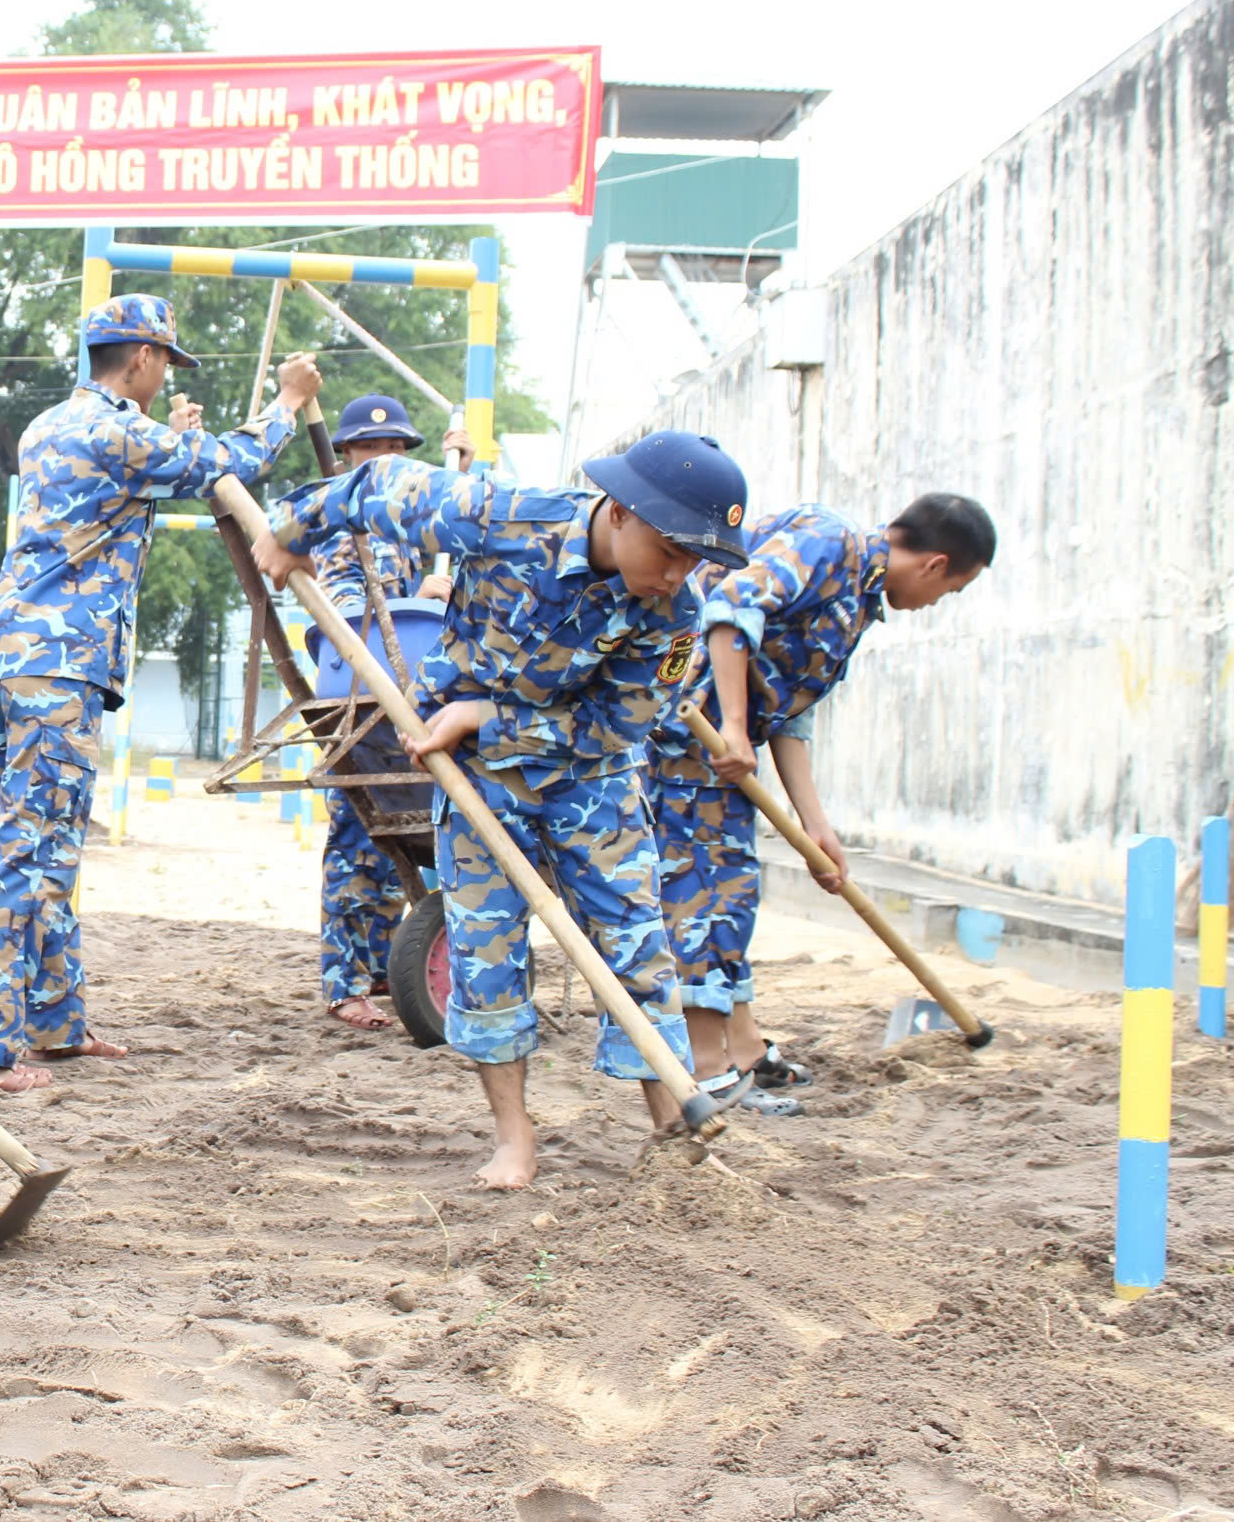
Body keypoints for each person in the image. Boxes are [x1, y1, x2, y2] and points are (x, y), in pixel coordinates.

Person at [254, 429, 752, 1188]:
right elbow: (377, 484)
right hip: (476, 775)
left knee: (637, 947)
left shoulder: (680, 614)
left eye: (698, 558)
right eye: (672, 549)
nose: (680, 573)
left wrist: (491, 716)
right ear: (619, 512)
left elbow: (628, 722)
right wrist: (291, 533)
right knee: (486, 953)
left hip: (592, 778)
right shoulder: (502, 514)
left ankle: (674, 1129)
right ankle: (515, 1142)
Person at [0, 295, 314, 1092]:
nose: (165, 374)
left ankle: (55, 1021)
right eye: (165, 360)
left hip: (23, 655)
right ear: (140, 357)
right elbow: (230, 462)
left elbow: (157, 461)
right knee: (34, 842)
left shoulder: (56, 423)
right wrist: (286, 402)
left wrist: (173, 432)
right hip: (57, 661)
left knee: (55, 842)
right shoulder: (114, 429)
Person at [648, 492, 997, 1111]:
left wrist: (815, 829)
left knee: (734, 893)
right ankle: (708, 1066)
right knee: (704, 893)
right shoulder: (828, 542)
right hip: (681, 733)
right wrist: (731, 724)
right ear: (936, 565)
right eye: (949, 592)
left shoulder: (856, 602)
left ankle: (746, 1046)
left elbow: (784, 713)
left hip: (722, 754)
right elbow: (731, 606)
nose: (936, 604)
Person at [316, 396, 465, 1030]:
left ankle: (383, 968)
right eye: (370, 451)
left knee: (392, 840)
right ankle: (346, 981)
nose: (382, 462)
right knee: (357, 837)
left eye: (394, 452)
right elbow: (349, 615)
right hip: (358, 692)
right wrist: (418, 596)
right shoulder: (338, 525)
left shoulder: (406, 526)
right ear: (347, 456)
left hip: (409, 697)